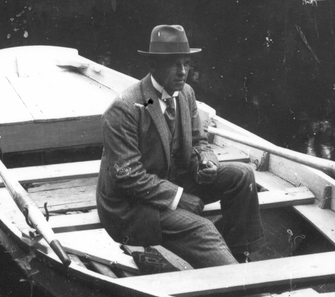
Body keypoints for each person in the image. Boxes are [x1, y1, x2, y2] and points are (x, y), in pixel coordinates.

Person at [96, 24, 268, 269]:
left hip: (171, 181)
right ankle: (238, 280)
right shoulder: (125, 109)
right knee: (202, 228)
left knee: (242, 176)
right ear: (153, 65)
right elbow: (128, 177)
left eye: (186, 64)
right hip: (131, 206)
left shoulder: (186, 94)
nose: (183, 72)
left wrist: (206, 162)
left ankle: (240, 254)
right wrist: (178, 198)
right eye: (174, 64)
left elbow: (199, 142)